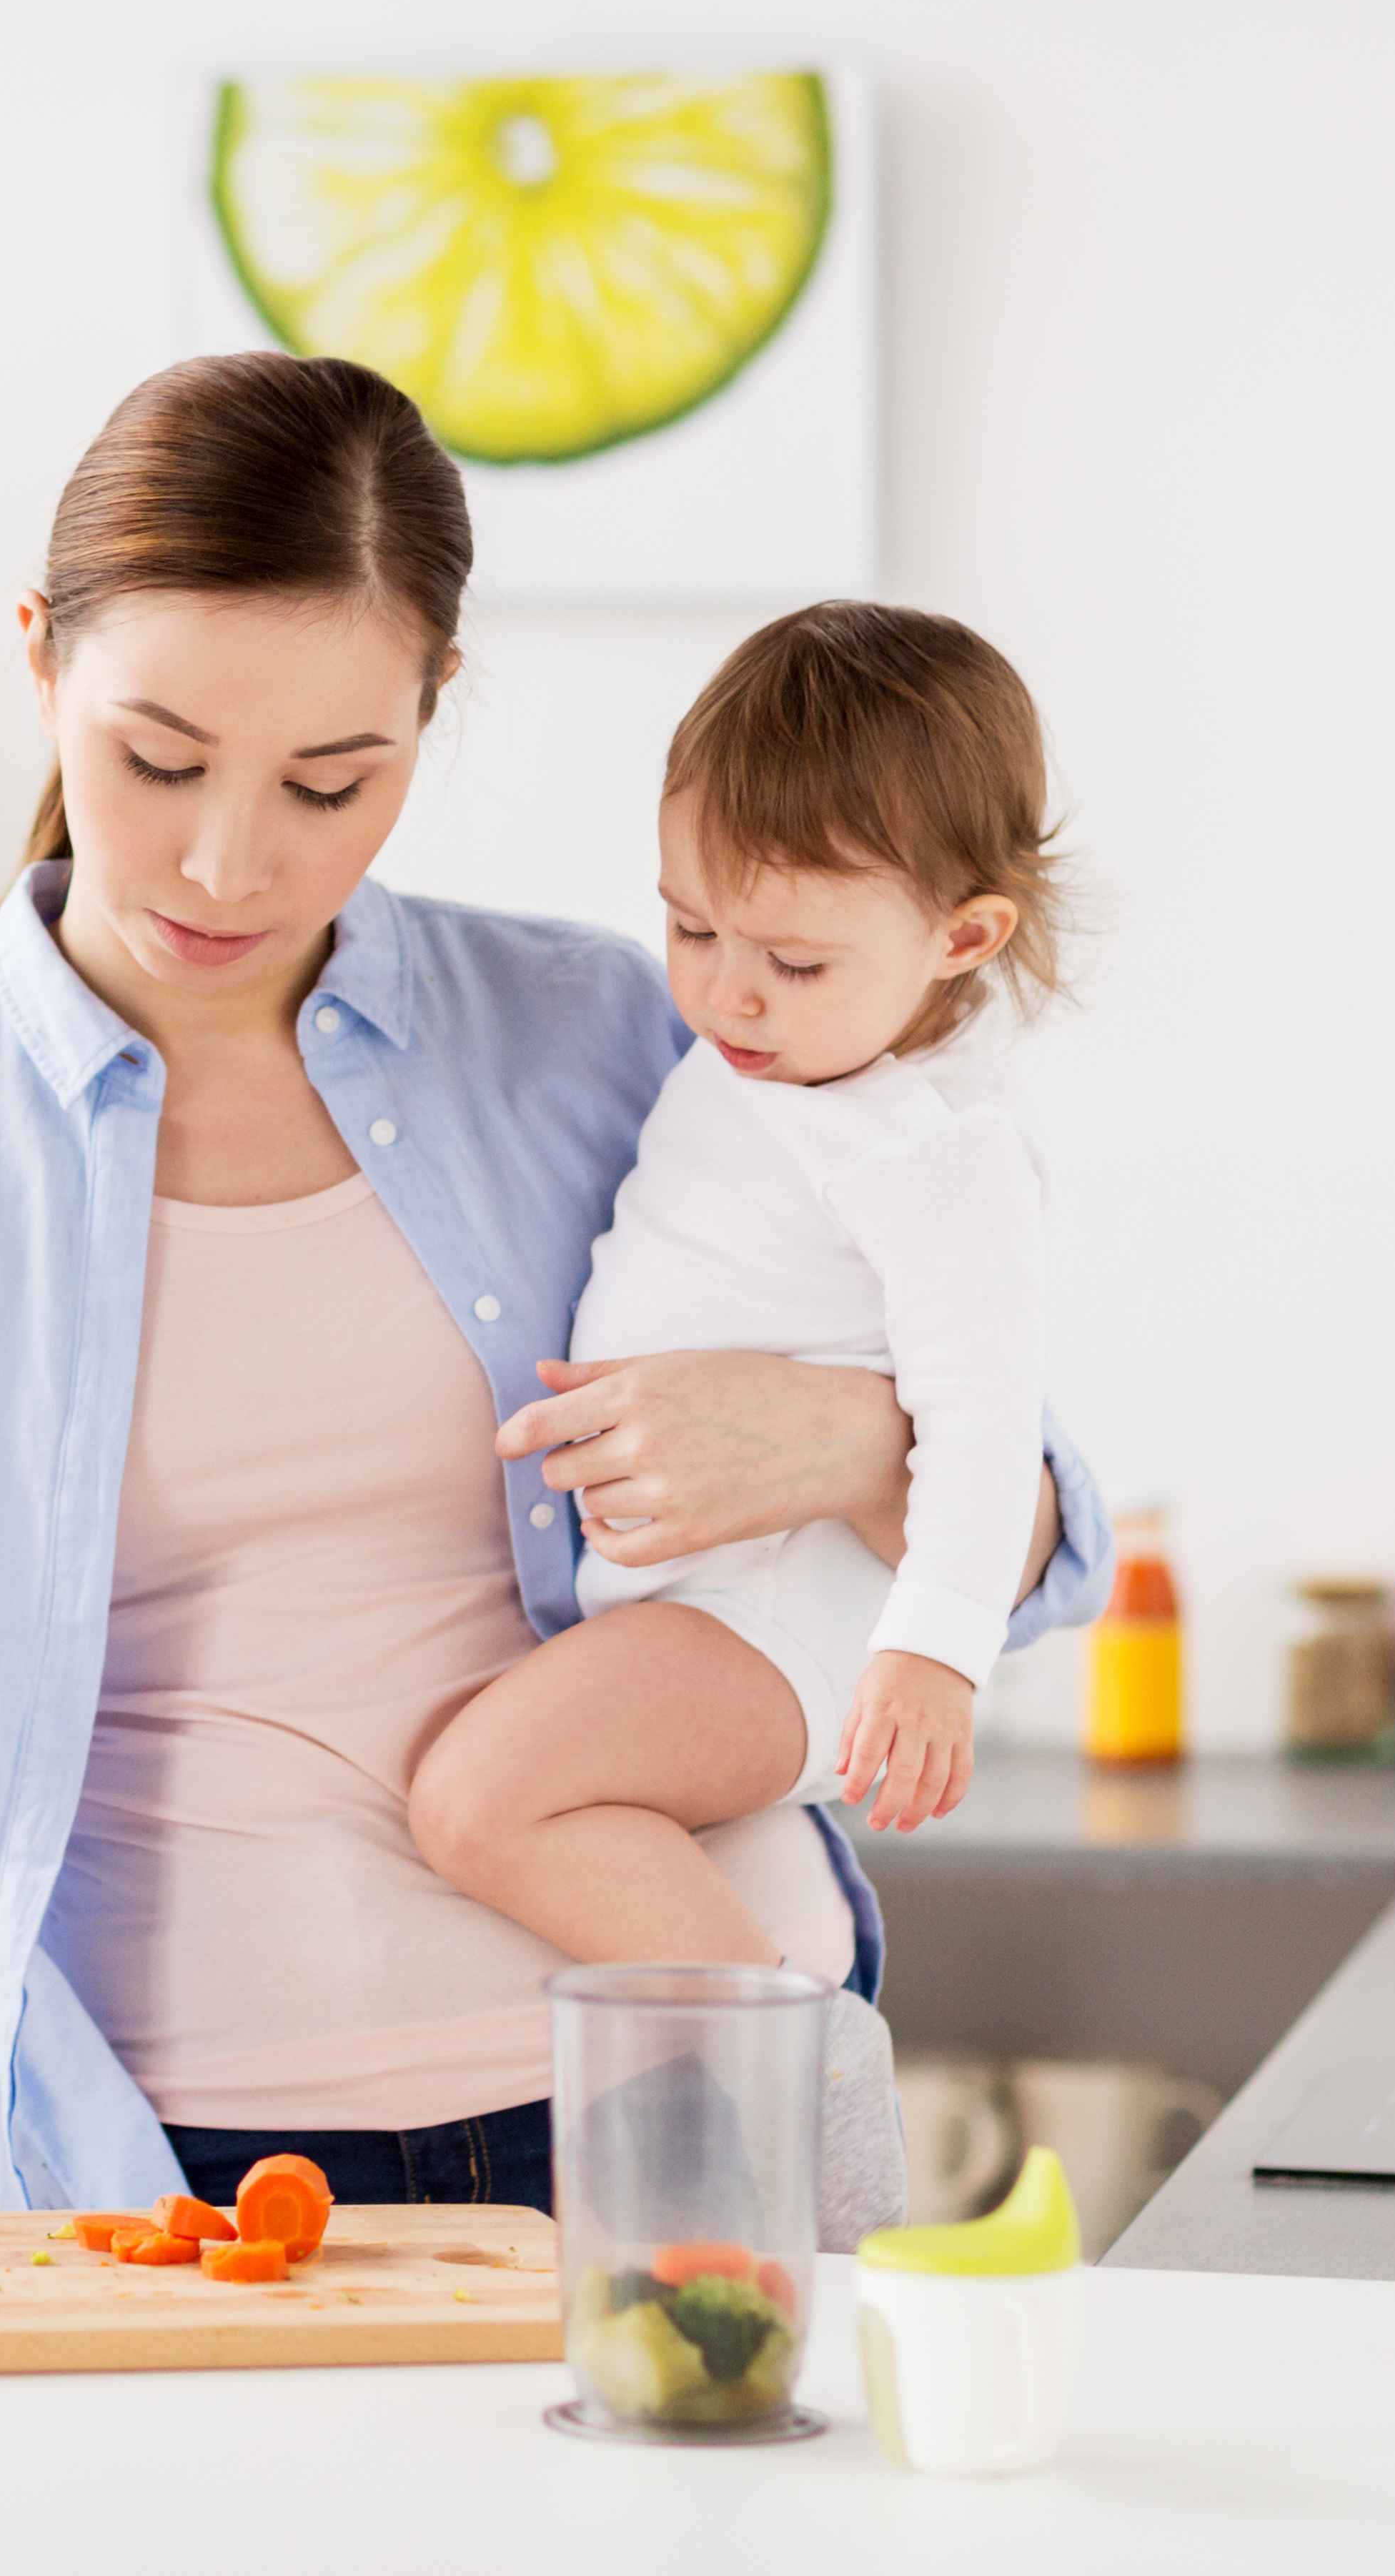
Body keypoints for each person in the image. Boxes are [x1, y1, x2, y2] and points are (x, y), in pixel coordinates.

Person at [0, 352, 1103, 2241]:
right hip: (156, 2179)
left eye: (330, 780)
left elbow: (1032, 1547)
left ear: (428, 710)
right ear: (39, 660)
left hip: (674, 2101)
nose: (231, 860)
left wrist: (831, 1441)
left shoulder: (615, 1034)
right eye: (156, 762)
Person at [406, 603, 1068, 1973]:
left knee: (480, 1802)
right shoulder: (763, 1068)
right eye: (690, 928)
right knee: (721, 1902)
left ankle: (813, 2103)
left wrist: (937, 1658)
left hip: (782, 1623)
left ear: (962, 937)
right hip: (696, 1606)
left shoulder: (938, 1150)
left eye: (794, 962)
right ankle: (800, 2105)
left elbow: (988, 1423)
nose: (728, 997)